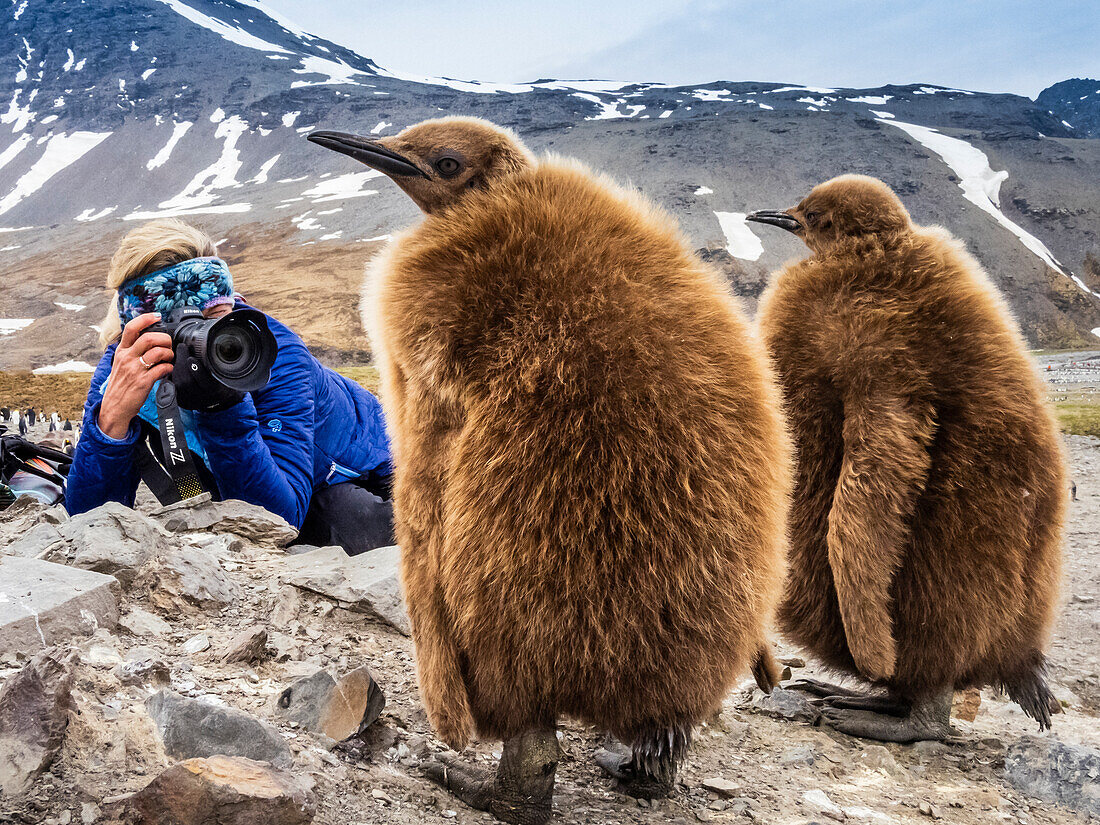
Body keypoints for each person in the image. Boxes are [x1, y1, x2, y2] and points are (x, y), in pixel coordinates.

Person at [65, 218, 395, 555]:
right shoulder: (127, 360)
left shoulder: (273, 353)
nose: (212, 338)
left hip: (366, 473)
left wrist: (222, 404)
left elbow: (279, 519)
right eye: (190, 326)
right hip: (259, 473)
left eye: (221, 315)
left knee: (344, 522)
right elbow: (86, 519)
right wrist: (111, 423)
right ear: (145, 326)